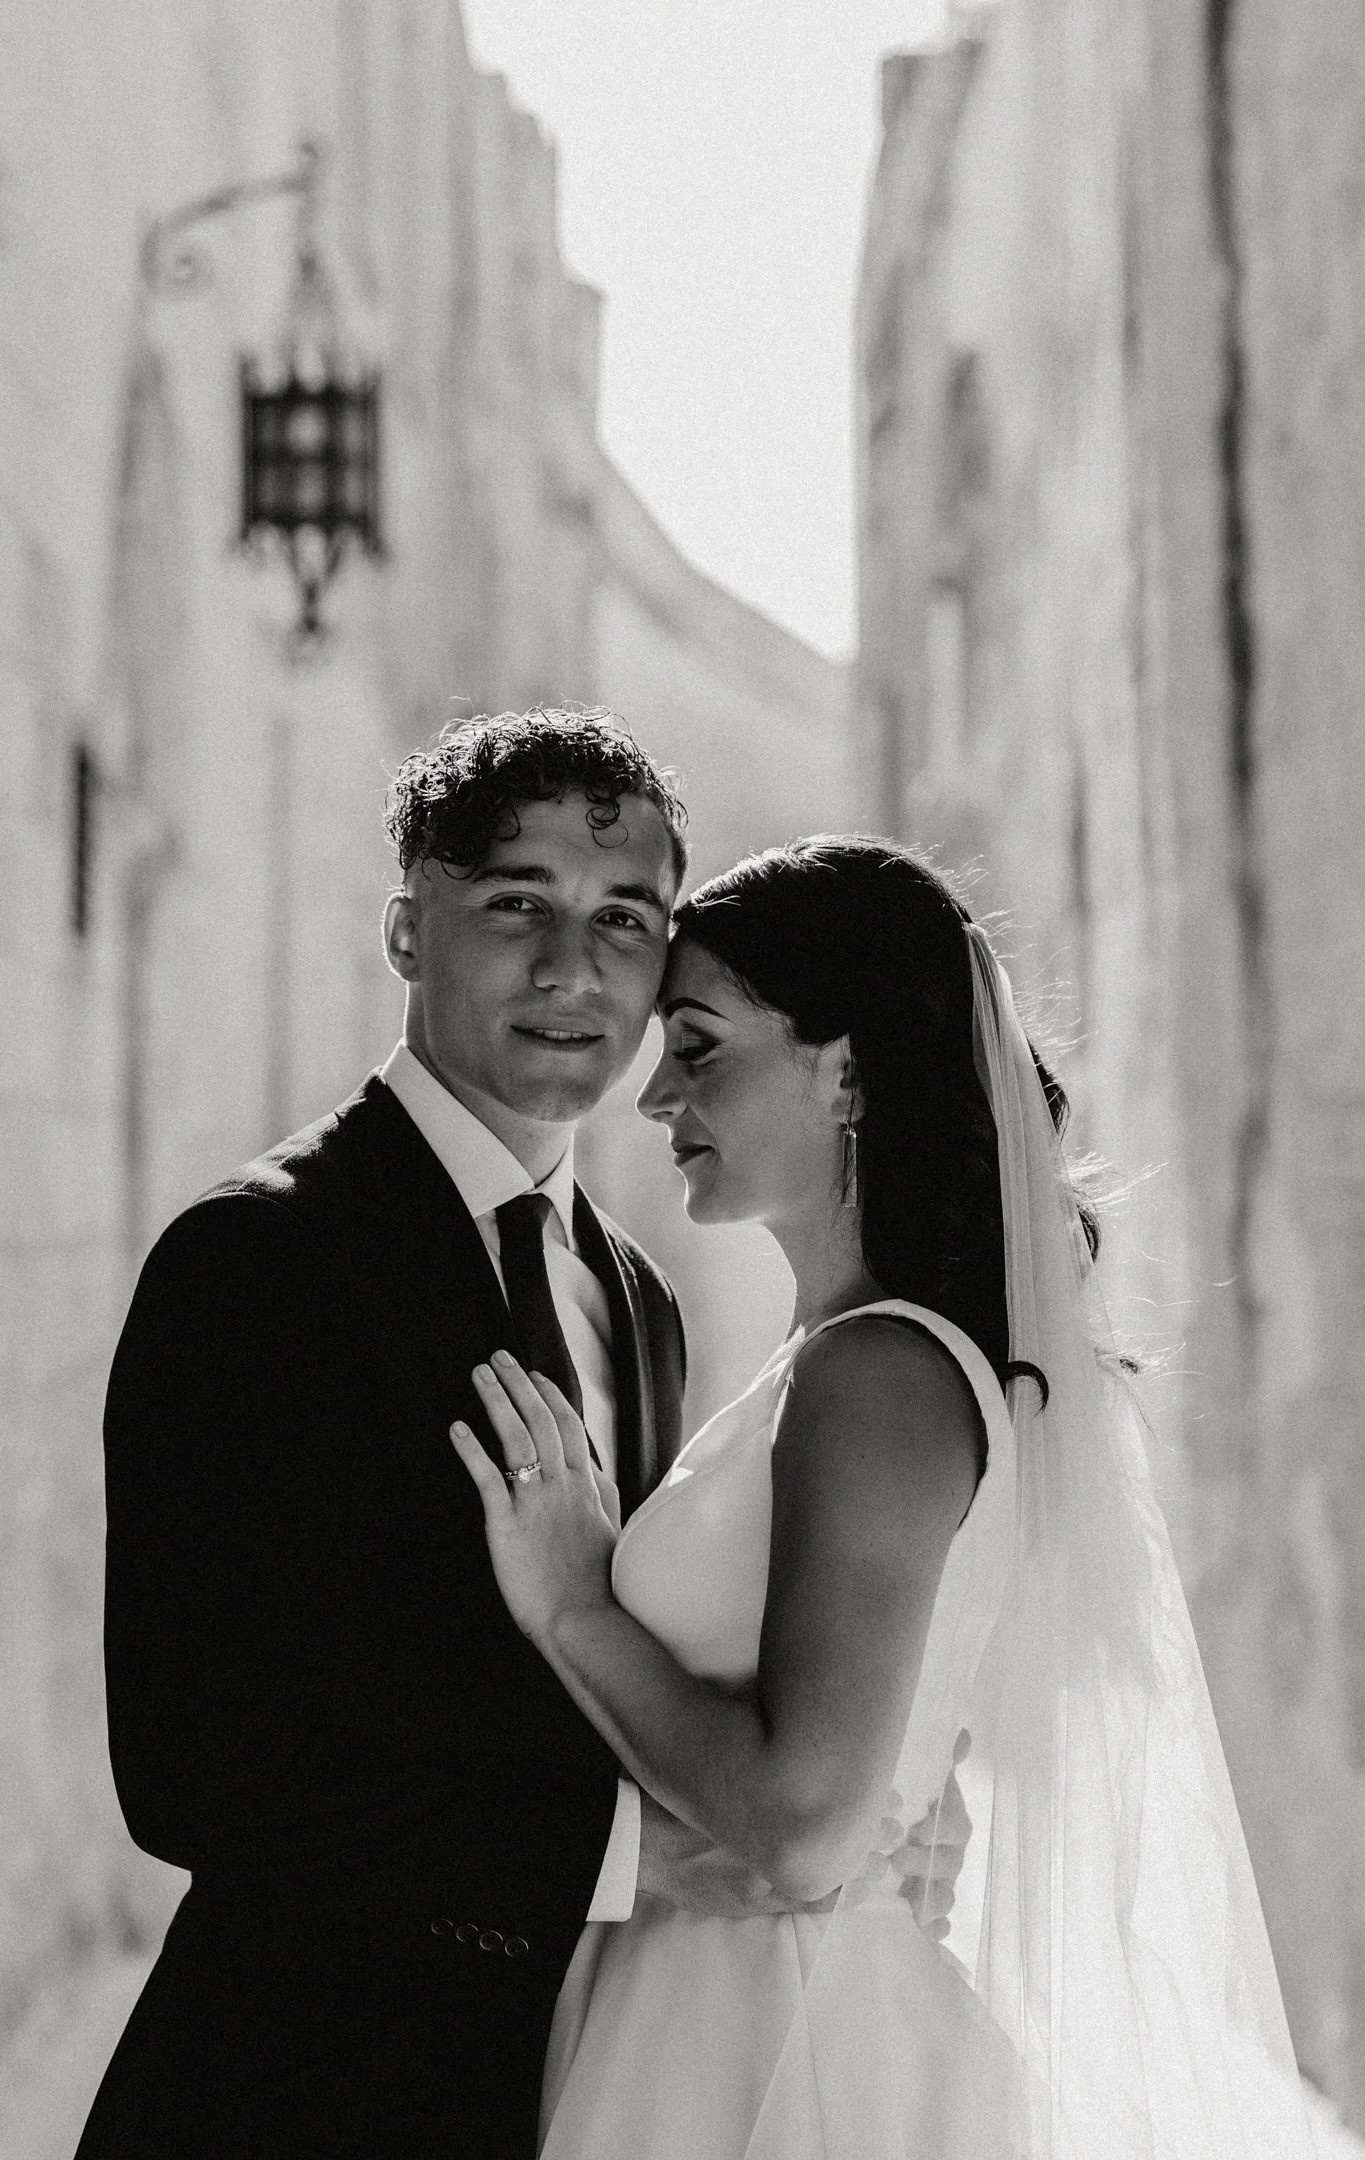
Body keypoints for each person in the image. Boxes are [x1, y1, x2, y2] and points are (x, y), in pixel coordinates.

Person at [75, 716, 964, 2160]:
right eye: (516, 908)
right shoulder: (257, 1260)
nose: (573, 971)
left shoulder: (644, 1303)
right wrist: (646, 1860)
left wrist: (885, 1811)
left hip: (577, 2091)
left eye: (624, 920)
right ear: (406, 929)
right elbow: (195, 1767)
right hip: (293, 2096)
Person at [452, 836, 1326, 2160]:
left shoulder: (880, 1374)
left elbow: (804, 1828)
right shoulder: (845, 1361)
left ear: (845, 1067)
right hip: (722, 2008)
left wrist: (577, 1604)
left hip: (782, 2050)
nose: (654, 1097)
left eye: (698, 1045)